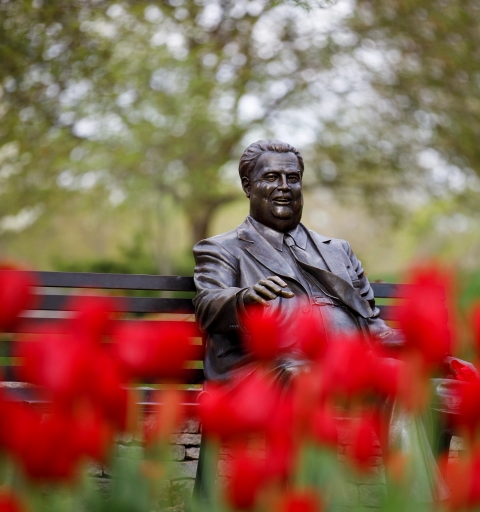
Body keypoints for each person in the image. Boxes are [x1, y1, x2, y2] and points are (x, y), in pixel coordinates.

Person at [192, 139, 462, 502]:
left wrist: (415, 344)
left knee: (414, 382)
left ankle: (416, 501)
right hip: (265, 369)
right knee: (303, 374)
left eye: (293, 178)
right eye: (271, 177)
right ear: (247, 186)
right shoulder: (223, 249)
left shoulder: (338, 251)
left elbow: (371, 324)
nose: (284, 187)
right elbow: (208, 303)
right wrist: (243, 299)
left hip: (346, 364)